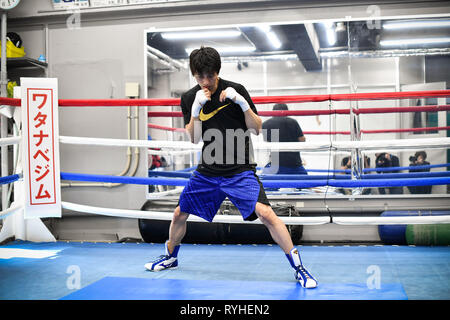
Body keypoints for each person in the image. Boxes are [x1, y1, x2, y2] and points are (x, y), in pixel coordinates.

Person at [144, 46, 317, 288]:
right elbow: (194, 138)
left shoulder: (236, 90)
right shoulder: (189, 98)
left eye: (210, 76)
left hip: (239, 170)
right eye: (200, 76)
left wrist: (243, 103)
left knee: (267, 213)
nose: (206, 82)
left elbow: (257, 129)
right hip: (208, 171)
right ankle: (171, 257)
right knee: (179, 213)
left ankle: (299, 268)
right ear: (194, 74)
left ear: (217, 71)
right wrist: (195, 111)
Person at [261, 103, 307, 175]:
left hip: (275, 164)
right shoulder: (293, 122)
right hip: (294, 163)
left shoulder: (265, 124)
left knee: (264, 183)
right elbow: (302, 139)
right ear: (287, 111)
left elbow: (267, 142)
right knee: (306, 184)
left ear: (273, 111)